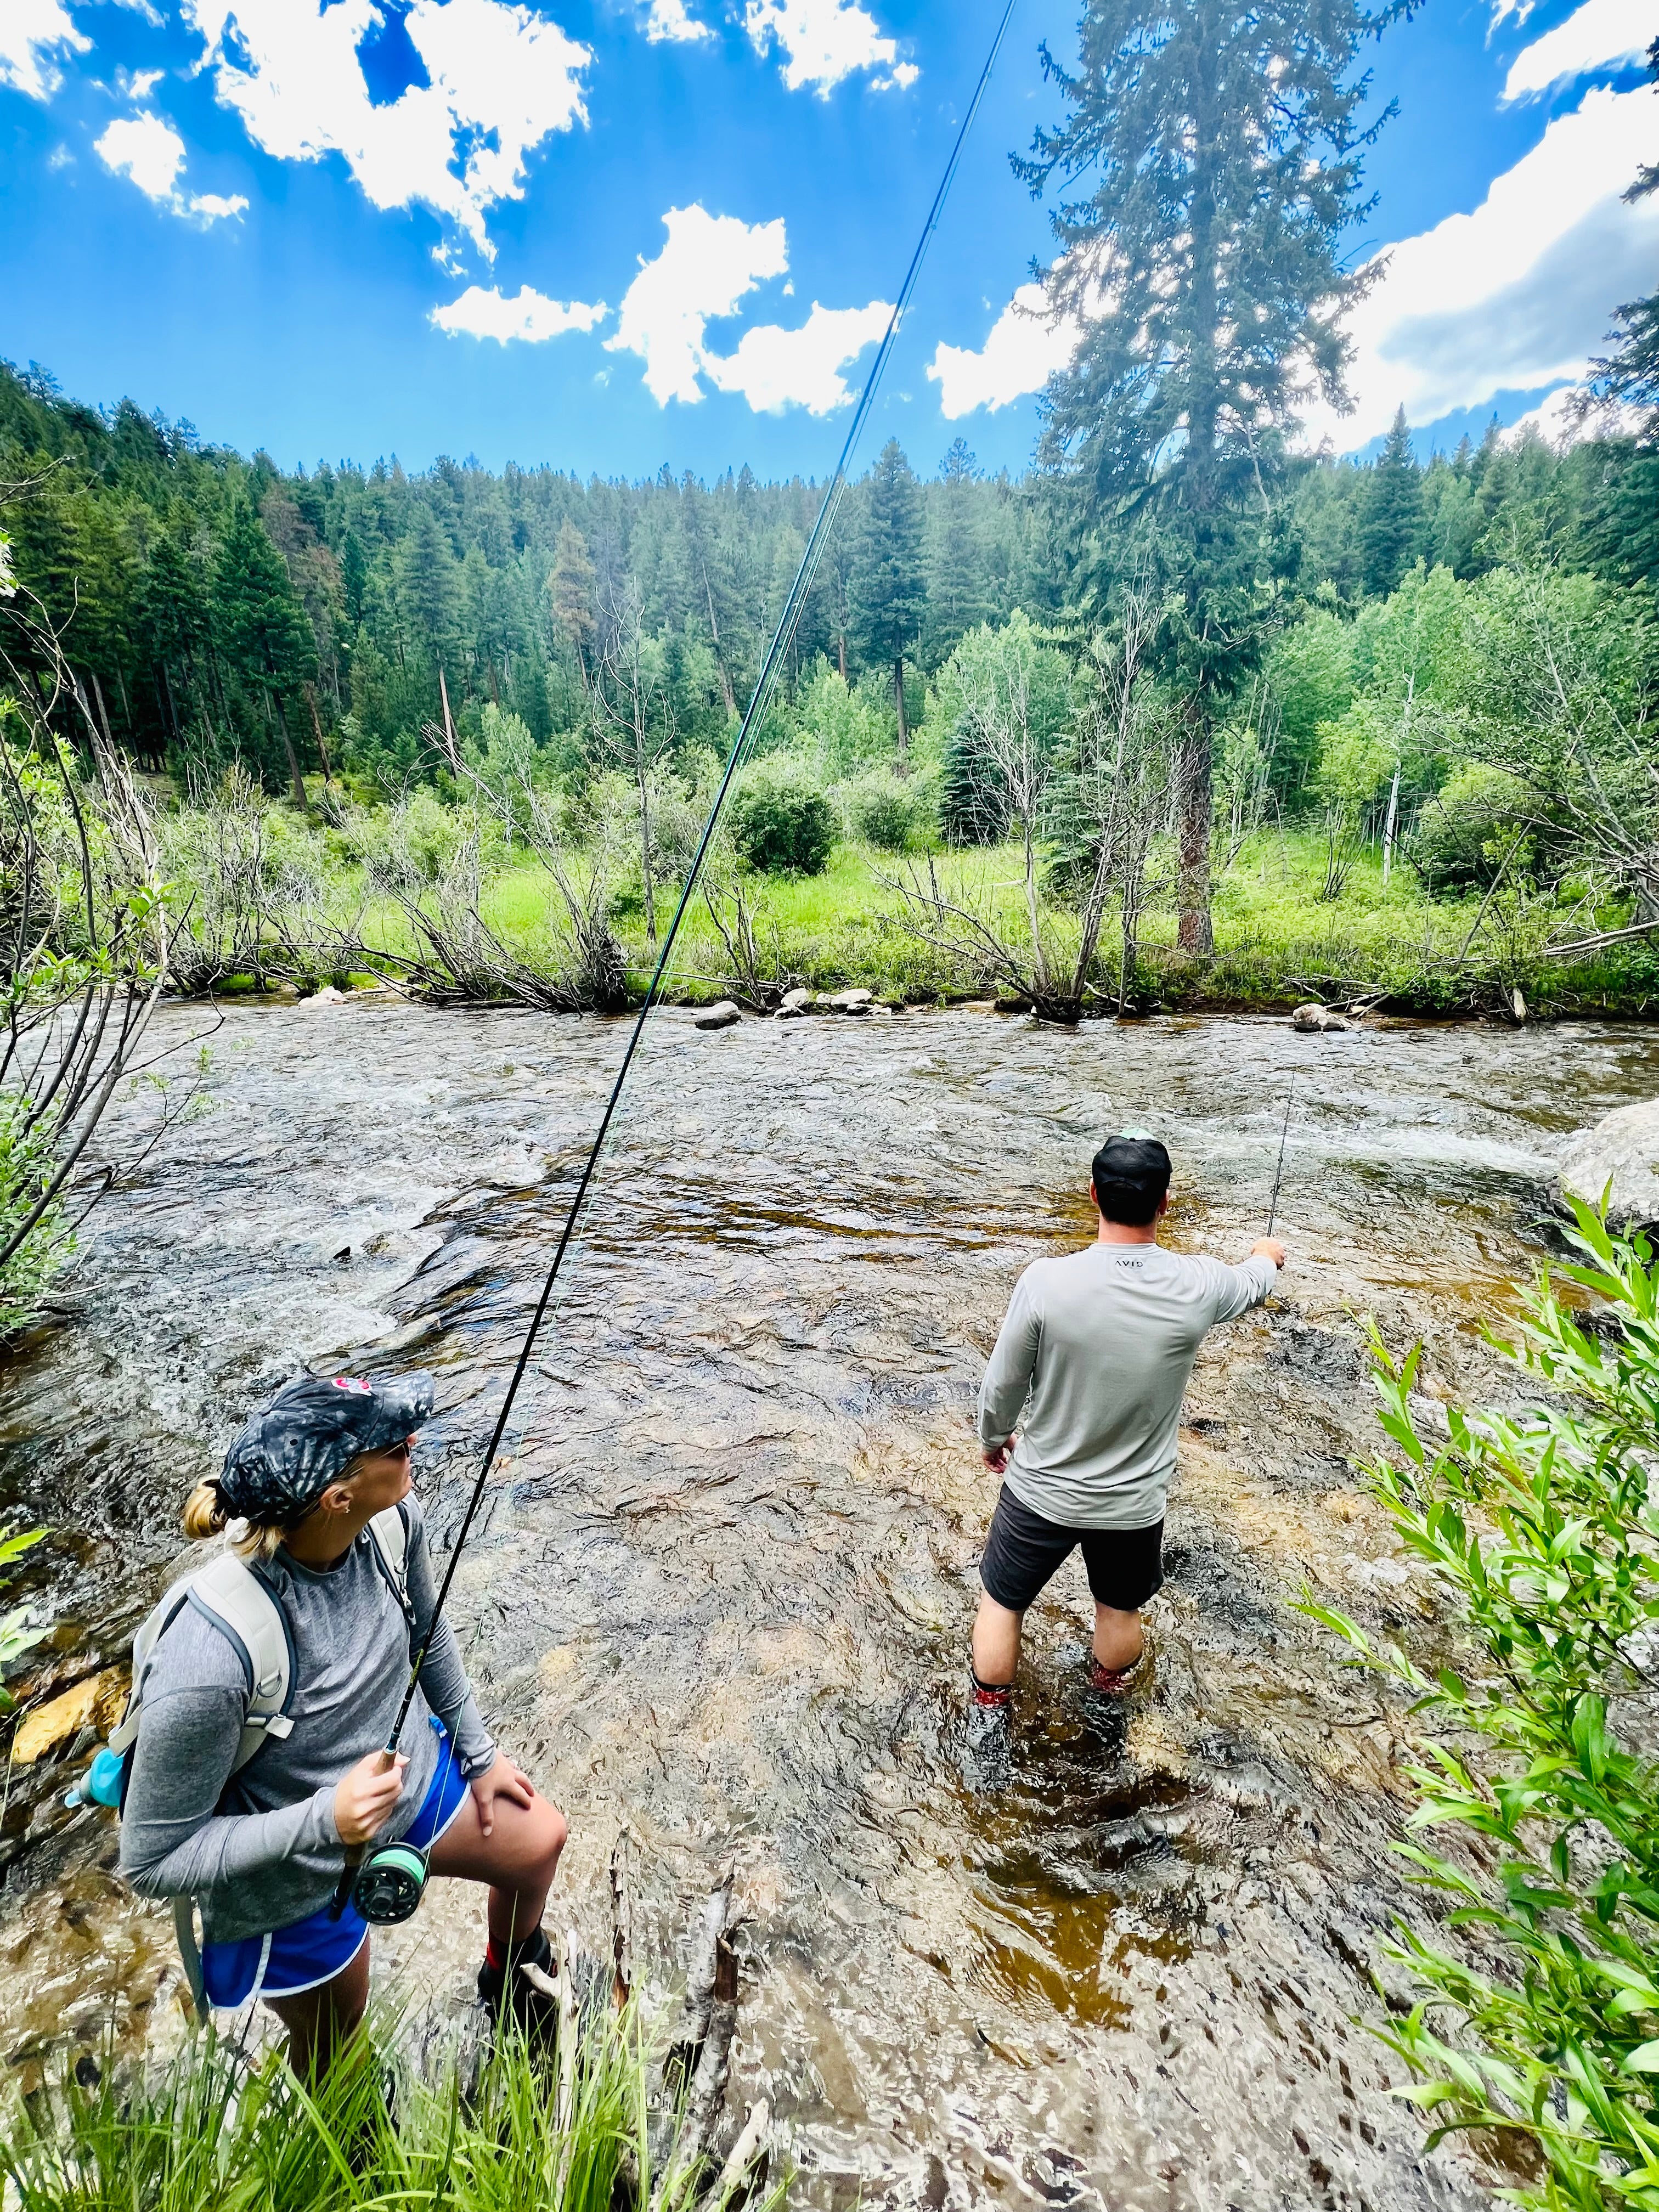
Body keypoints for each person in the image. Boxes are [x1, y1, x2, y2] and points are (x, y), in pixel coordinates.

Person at [120, 1371, 568, 2078]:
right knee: (339, 2038)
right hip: (295, 1872)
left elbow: (429, 1628)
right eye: (393, 1444)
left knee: (538, 1841)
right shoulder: (212, 1652)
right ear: (338, 1495)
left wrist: (480, 1756)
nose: (412, 1445)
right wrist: (328, 1819)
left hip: (405, 1783)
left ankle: (509, 1977)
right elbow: (153, 1861)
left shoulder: (392, 1521)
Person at [967, 1133, 1285, 1774]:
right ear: (1165, 1203)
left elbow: (1003, 1382)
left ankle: (988, 1714)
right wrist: (1266, 1254)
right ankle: (1107, 1706)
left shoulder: (1047, 1282)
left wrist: (992, 1437)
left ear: (1093, 1196)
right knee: (1118, 1608)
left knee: (1002, 1602)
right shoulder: (1199, 1284)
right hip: (1133, 1503)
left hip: (1041, 1490)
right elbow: (1256, 1283)